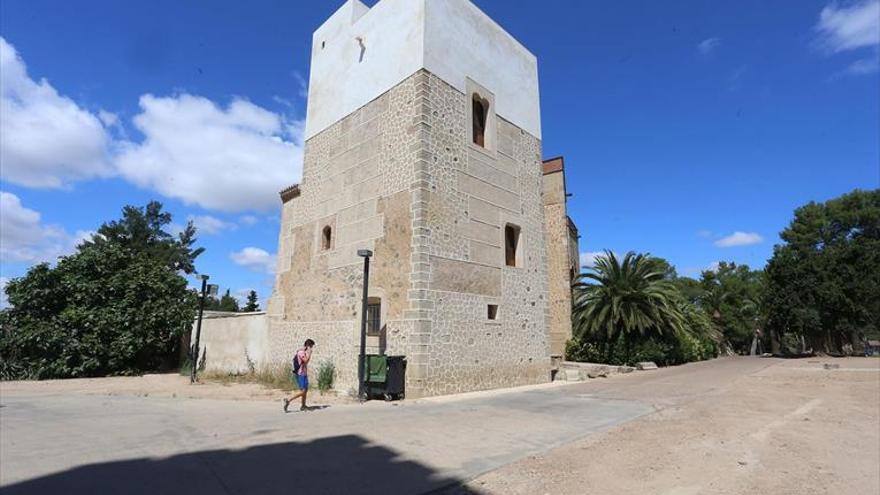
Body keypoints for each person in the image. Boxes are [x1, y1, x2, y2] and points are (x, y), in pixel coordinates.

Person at [283, 339, 314, 412]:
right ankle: (288, 400)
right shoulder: (301, 352)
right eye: (311, 346)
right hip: (300, 374)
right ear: (308, 345)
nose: (311, 348)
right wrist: (309, 353)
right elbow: (306, 361)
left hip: (304, 373)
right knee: (303, 391)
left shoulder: (302, 351)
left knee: (305, 390)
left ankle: (303, 405)